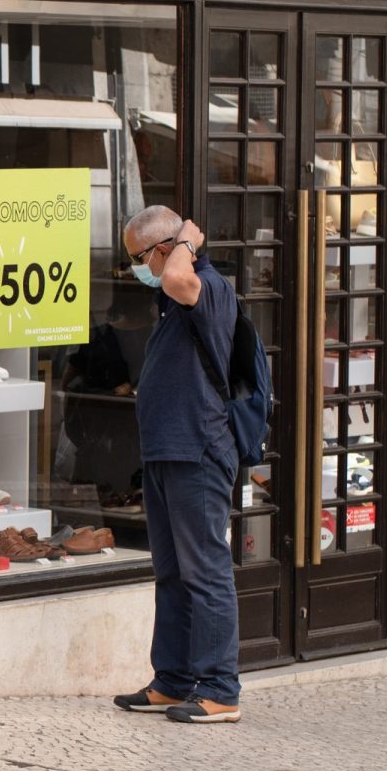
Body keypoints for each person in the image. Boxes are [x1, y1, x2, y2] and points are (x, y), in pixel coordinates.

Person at [112, 206, 243, 724]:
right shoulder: (171, 297)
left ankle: (219, 690)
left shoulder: (204, 287)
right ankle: (172, 679)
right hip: (166, 454)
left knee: (206, 571)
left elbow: (176, 276)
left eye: (139, 258)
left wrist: (186, 239)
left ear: (164, 250)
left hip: (199, 451)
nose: (135, 270)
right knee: (170, 573)